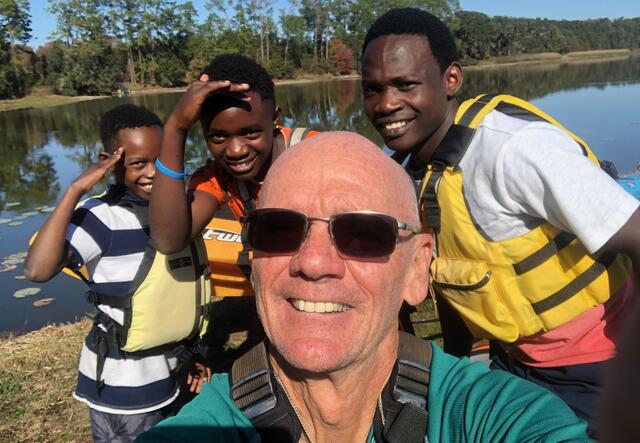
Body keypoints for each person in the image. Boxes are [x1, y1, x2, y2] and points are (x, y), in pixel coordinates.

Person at [137, 132, 590, 442]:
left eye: (363, 234)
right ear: (253, 261)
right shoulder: (203, 428)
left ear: (417, 268)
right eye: (278, 229)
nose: (313, 263)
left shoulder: (493, 415)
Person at [360, 8, 640, 436]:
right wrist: (451, 379)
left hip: (598, 364)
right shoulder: (413, 172)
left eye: (405, 85)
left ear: (451, 79)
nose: (386, 105)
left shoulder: (513, 151)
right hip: (514, 361)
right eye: (373, 90)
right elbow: (457, 284)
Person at [24, 104, 210, 442]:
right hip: (124, 392)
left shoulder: (177, 214)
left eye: (162, 160)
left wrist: (191, 353)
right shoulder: (101, 219)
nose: (153, 173)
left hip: (172, 372)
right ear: (109, 161)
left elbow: (173, 298)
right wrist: (75, 190)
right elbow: (37, 270)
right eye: (138, 163)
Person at [149, 53, 317, 263]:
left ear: (274, 118)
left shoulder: (316, 152)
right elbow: (168, 241)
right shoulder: (219, 178)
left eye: (251, 133)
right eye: (218, 136)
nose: (236, 151)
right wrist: (175, 128)